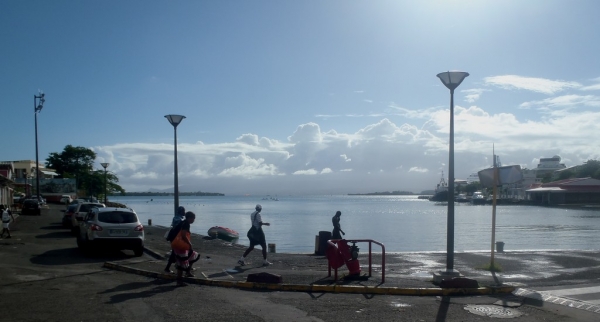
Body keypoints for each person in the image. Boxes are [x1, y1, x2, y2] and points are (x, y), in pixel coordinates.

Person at [170, 211, 200, 287]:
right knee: (182, 263)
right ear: (190, 218)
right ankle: (179, 281)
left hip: (177, 245)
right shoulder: (186, 224)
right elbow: (183, 235)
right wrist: (189, 243)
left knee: (191, 255)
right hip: (181, 246)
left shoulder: (183, 222)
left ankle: (187, 272)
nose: (194, 220)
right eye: (193, 219)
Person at [164, 206, 186, 273]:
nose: (184, 212)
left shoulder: (176, 217)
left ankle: (180, 266)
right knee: (176, 252)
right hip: (176, 238)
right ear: (181, 211)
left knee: (176, 252)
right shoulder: (180, 219)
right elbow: (179, 230)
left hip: (173, 237)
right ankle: (168, 268)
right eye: (183, 211)